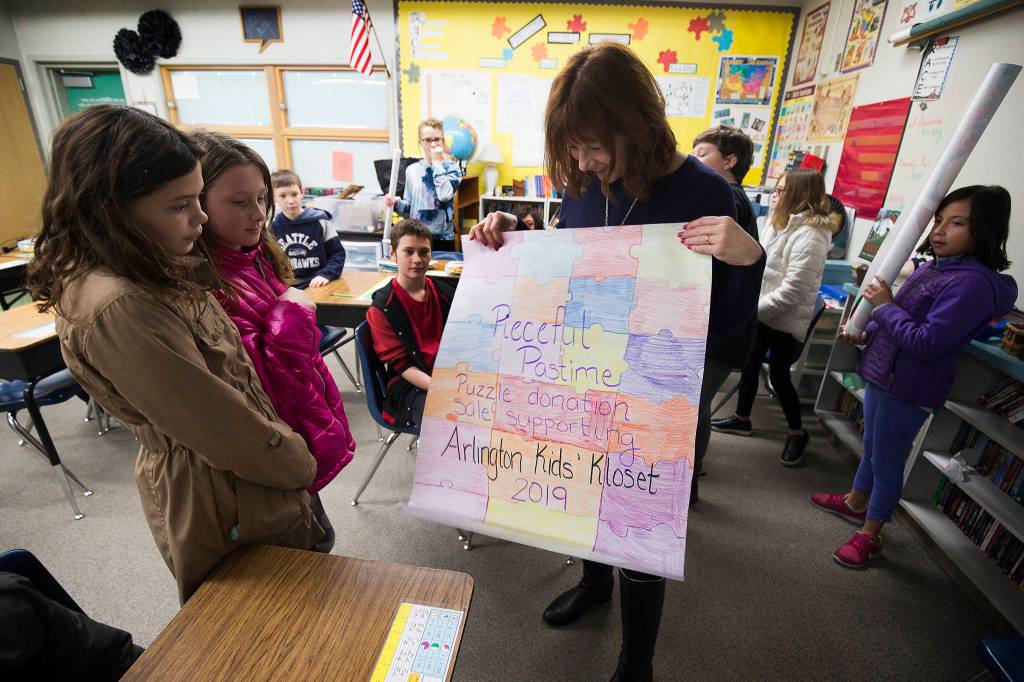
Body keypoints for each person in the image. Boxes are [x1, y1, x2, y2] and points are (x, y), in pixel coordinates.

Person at [469, 42, 765, 682]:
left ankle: (638, 659)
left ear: (638, 125)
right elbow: (570, 267)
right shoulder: (580, 184)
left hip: (661, 382)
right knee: (582, 495)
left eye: (596, 146)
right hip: (587, 370)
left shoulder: (708, 192)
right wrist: (508, 238)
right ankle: (595, 584)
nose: (584, 162)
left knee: (637, 518)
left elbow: (732, 330)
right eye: (572, 148)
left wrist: (748, 263)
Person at [27, 105, 323, 604]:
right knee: (263, 626)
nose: (201, 218)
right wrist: (298, 463)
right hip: (223, 492)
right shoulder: (121, 304)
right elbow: (221, 428)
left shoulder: (154, 265)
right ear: (110, 209)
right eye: (180, 204)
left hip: (238, 481)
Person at [812, 185, 1016, 568]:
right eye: (938, 221)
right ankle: (857, 501)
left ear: (983, 230)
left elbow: (926, 342)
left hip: (907, 386)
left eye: (956, 223)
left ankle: (870, 534)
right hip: (883, 373)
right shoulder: (934, 267)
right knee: (872, 446)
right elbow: (901, 318)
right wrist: (866, 330)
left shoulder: (970, 284)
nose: (939, 231)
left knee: (888, 461)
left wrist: (884, 307)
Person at [189, 130, 357, 554]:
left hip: (294, 430)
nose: (258, 213)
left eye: (262, 198)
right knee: (303, 551)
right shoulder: (207, 280)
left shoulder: (255, 255)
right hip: (270, 444)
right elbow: (257, 376)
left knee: (316, 536)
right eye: (239, 201)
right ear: (199, 201)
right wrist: (295, 310)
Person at [712, 169, 835, 466]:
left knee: (779, 376)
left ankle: (797, 432)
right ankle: (742, 418)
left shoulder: (812, 235)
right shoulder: (779, 223)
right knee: (750, 363)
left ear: (800, 194)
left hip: (784, 319)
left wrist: (750, 313)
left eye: (781, 191)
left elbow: (792, 291)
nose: (774, 196)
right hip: (764, 312)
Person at [366, 219, 457, 429]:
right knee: (450, 419)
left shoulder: (444, 293)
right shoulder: (382, 308)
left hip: (447, 373)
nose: (417, 259)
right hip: (410, 386)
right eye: (409, 251)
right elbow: (403, 366)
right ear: (393, 253)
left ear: (431, 255)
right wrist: (441, 388)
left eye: (424, 252)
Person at [384, 119, 463, 253]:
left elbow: (444, 196)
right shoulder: (412, 170)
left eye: (437, 139)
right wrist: (395, 203)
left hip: (442, 239)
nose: (433, 144)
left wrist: (437, 163)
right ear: (420, 141)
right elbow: (409, 208)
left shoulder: (452, 168)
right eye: (427, 140)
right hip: (416, 237)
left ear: (443, 141)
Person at [270, 169, 347, 289]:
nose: (290, 201)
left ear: (302, 192)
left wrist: (326, 275)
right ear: (273, 198)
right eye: (283, 196)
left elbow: (337, 254)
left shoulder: (320, 221)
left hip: (319, 284)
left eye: (294, 194)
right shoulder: (273, 227)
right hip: (287, 288)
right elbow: (268, 263)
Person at [691, 125, 759, 239]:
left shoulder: (728, 195)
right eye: (692, 155)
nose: (692, 160)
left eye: (701, 154)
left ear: (729, 162)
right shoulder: (735, 193)